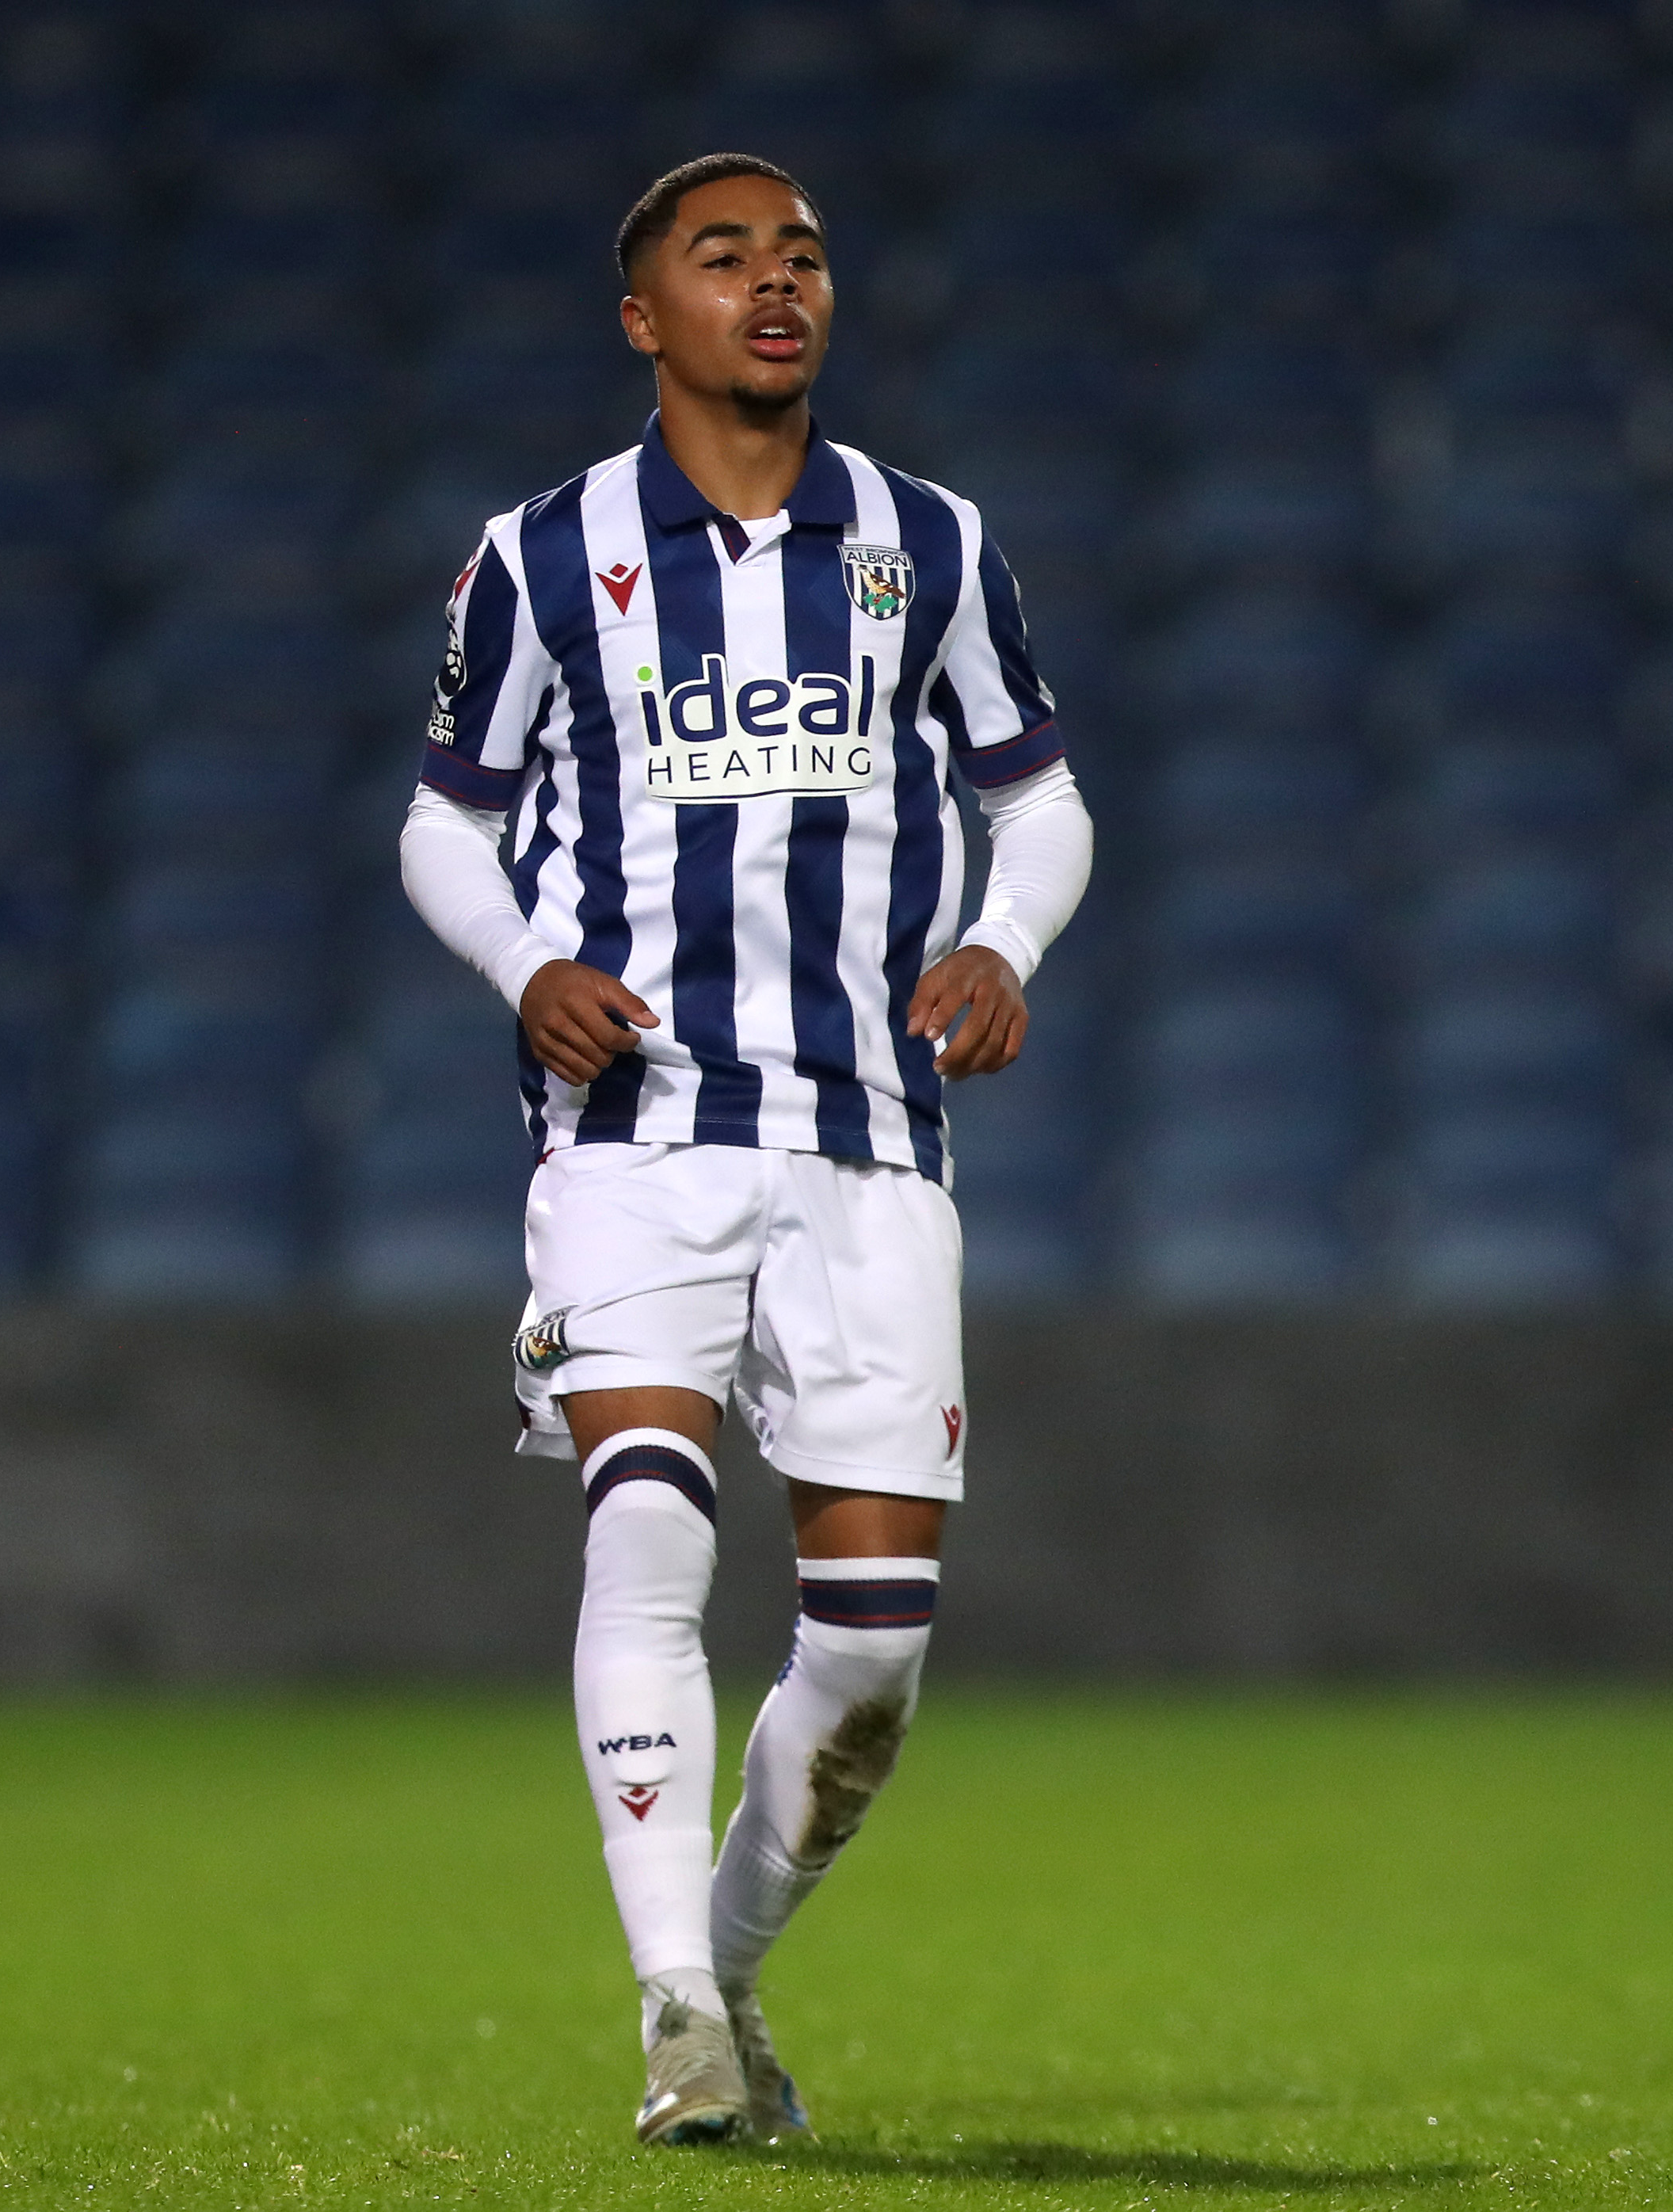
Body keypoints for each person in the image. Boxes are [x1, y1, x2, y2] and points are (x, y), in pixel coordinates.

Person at [398, 151, 1094, 2148]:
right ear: (646, 317)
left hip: (873, 1141)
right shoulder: (541, 557)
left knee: (870, 1658)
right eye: (724, 258)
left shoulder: (928, 543)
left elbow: (1040, 796)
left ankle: (731, 1972)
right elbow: (440, 817)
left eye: (800, 254)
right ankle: (669, 2006)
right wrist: (528, 959)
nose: (775, 283)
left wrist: (1001, 932)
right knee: (645, 1509)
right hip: (635, 1132)